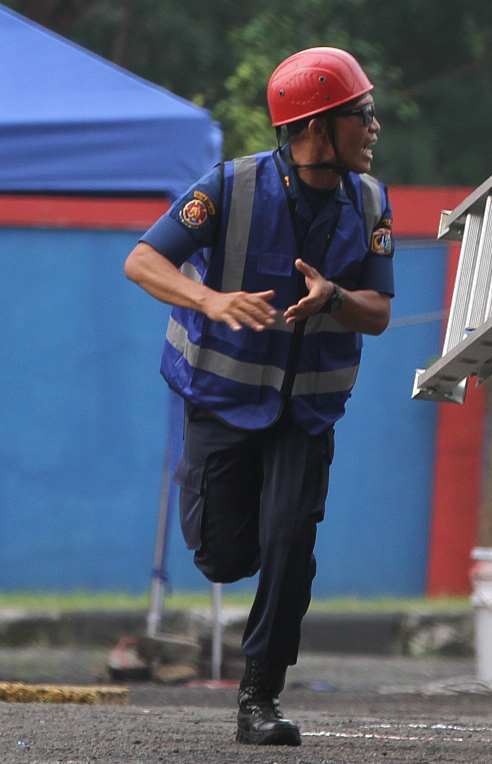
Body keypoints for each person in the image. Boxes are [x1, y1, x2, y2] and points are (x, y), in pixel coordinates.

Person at [124, 47, 393, 747]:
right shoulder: (229, 187)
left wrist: (335, 297)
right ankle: (222, 533)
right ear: (315, 127)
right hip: (221, 401)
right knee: (223, 556)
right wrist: (209, 298)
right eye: (362, 116)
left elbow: (378, 310)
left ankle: (259, 696)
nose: (374, 128)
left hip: (306, 414)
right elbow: (143, 259)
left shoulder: (370, 201)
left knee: (290, 539)